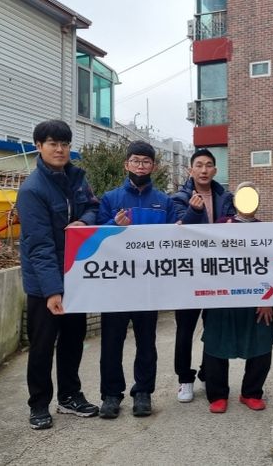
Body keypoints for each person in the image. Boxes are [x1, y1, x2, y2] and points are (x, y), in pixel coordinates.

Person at [16, 119, 100, 430]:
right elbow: (39, 246)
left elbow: (93, 207)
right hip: (44, 284)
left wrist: (83, 221)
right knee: (42, 345)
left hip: (76, 276)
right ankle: (38, 404)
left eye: (64, 144)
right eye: (53, 143)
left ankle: (69, 396)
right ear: (39, 146)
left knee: (73, 341)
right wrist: (53, 291)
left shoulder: (77, 178)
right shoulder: (32, 190)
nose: (60, 149)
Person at [97, 140, 177, 419]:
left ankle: (143, 392)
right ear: (126, 164)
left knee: (146, 342)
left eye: (146, 162)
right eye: (135, 161)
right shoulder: (110, 199)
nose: (140, 166)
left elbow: (175, 240)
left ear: (153, 166)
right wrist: (112, 225)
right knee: (111, 342)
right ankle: (111, 395)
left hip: (148, 284)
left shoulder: (165, 202)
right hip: (116, 284)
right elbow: (96, 238)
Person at [204, 182, 273, 413]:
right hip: (222, 297)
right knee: (215, 344)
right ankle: (217, 395)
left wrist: (267, 300)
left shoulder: (267, 231)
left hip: (257, 297)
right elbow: (205, 259)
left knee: (262, 344)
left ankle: (251, 392)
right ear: (235, 201)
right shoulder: (221, 225)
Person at [171, 148, 235, 403]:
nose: (204, 170)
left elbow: (235, 227)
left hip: (217, 273)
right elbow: (179, 231)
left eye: (209, 165)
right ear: (191, 170)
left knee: (215, 327)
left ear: (215, 170)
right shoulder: (179, 198)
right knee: (185, 330)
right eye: (199, 165)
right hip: (188, 274)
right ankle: (184, 379)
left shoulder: (226, 197)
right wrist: (194, 212)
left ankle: (209, 371)